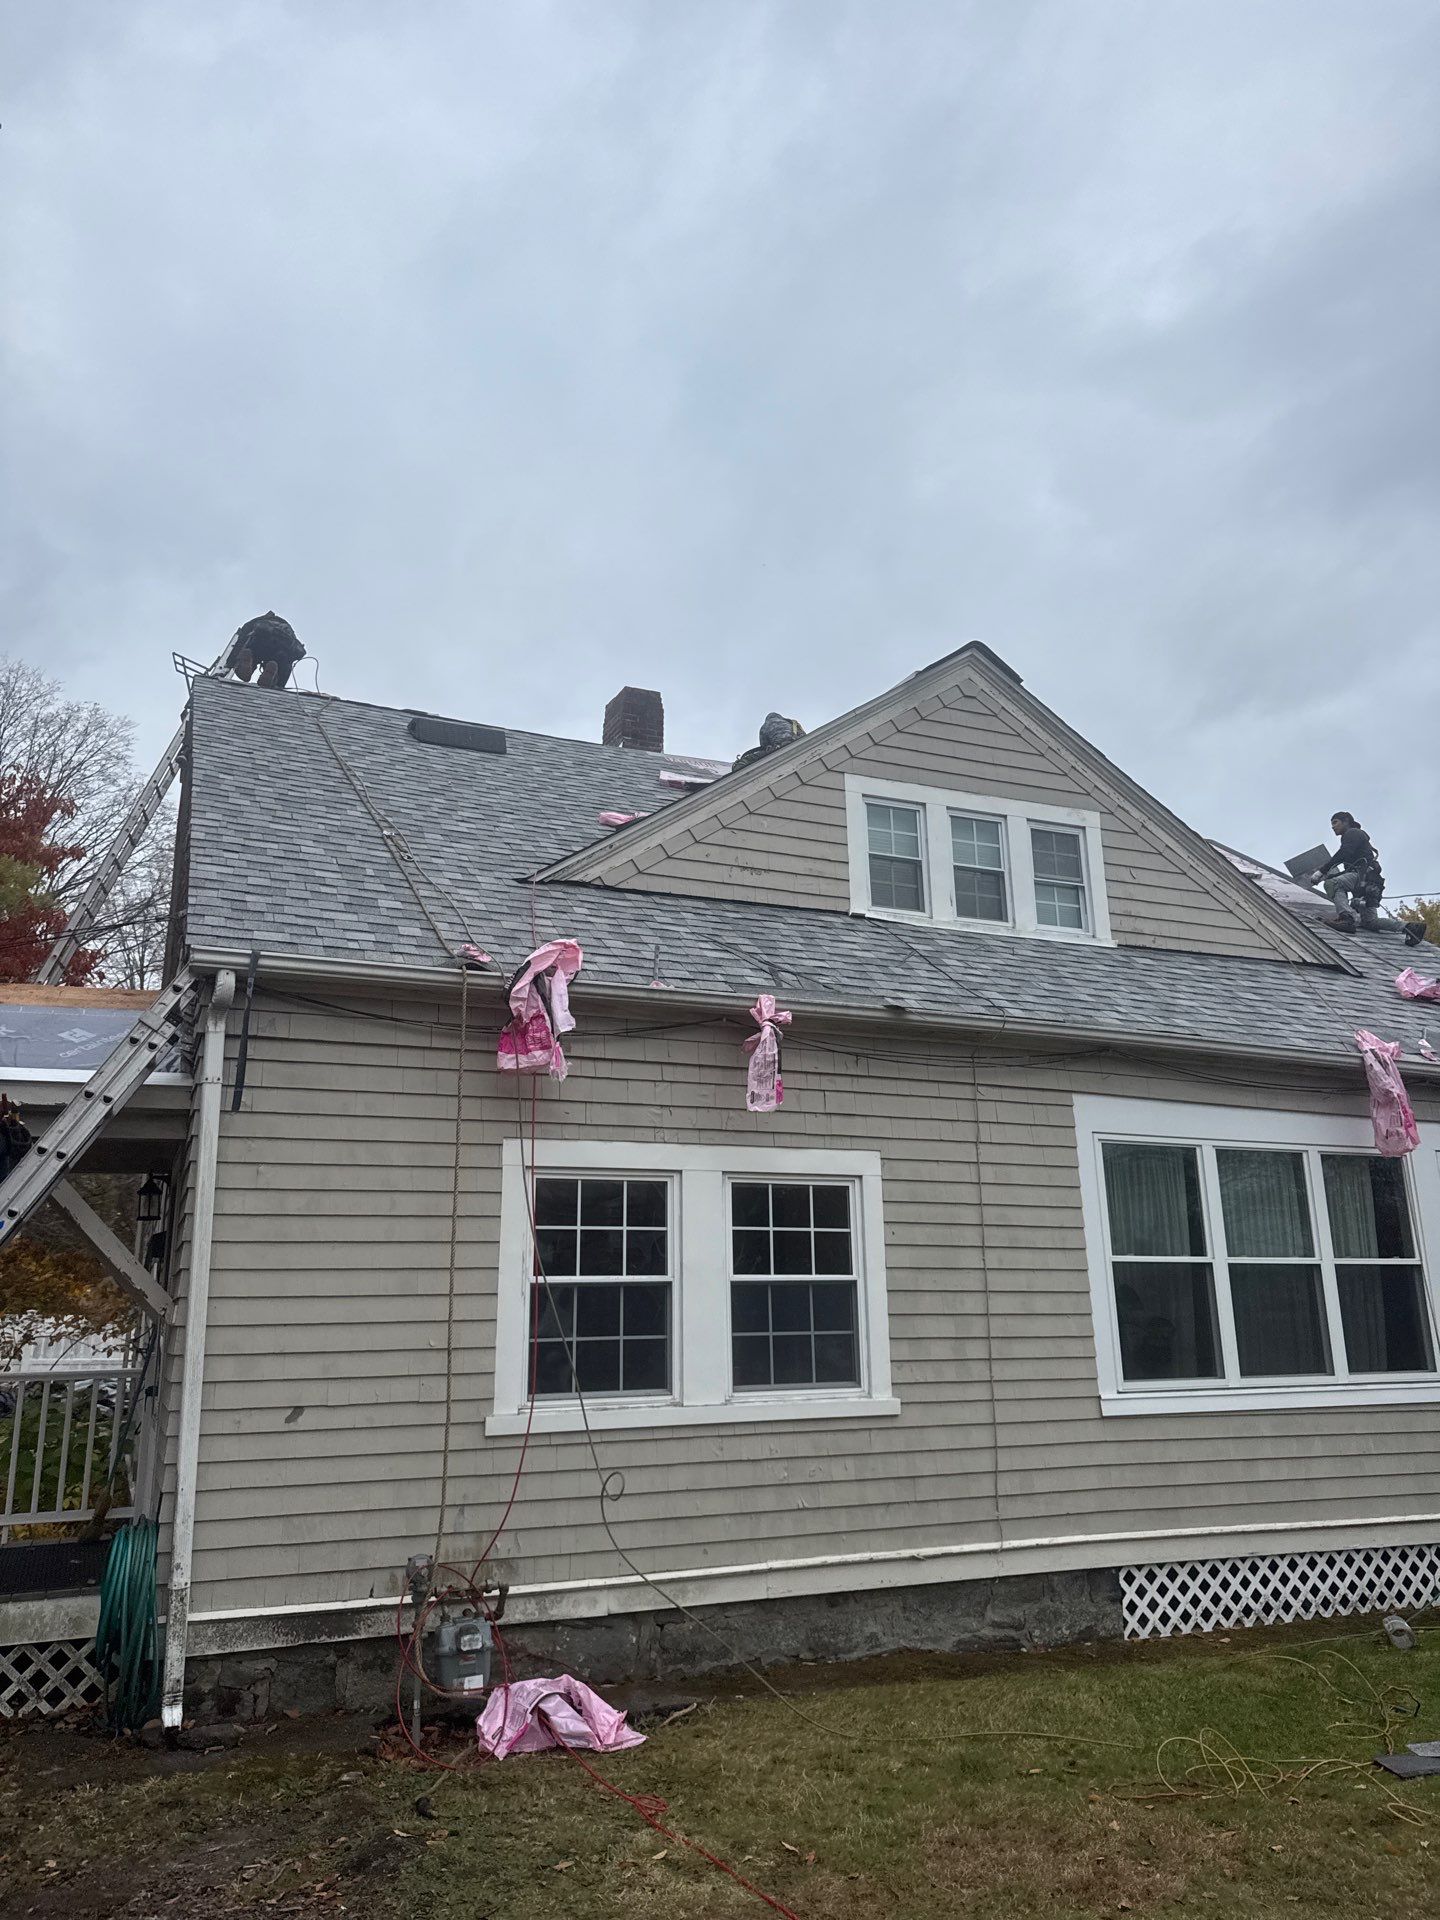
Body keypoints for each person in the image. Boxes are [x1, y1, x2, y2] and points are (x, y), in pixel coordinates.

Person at [1314, 811, 1384, 932]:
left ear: (1346, 821)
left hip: (1362, 876)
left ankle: (1346, 918)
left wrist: (1322, 871)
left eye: (1335, 822)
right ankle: (1409, 928)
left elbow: (1344, 852)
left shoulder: (1352, 833)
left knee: (1332, 884)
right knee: (1370, 922)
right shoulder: (1357, 835)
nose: (1333, 827)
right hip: (1370, 882)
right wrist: (1329, 874)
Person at [225, 612, 306, 689]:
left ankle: (246, 665)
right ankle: (272, 676)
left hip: (260, 643)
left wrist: (230, 663)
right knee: (280, 665)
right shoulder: (290, 634)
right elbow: (290, 662)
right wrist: (280, 685)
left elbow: (241, 640)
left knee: (253, 654)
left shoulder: (258, 622)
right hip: (281, 650)